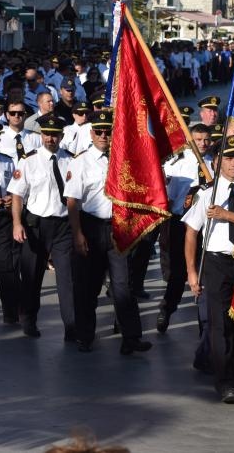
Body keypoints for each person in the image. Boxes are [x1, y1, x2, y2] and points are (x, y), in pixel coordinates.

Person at [65, 110, 152, 355]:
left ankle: (131, 338)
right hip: (90, 227)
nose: (104, 136)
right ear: (91, 133)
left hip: (117, 228)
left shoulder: (121, 159)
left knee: (123, 286)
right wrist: (78, 234)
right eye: (99, 131)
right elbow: (72, 201)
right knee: (88, 286)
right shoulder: (80, 161)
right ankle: (85, 336)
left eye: (108, 131)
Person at [184, 135, 234, 403]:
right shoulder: (207, 193)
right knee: (219, 324)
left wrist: (228, 215)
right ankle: (225, 382)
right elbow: (191, 234)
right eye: (229, 157)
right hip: (217, 262)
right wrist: (192, 272)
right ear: (218, 160)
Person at [8, 114, 75, 340]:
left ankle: (71, 326)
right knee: (32, 276)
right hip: (36, 225)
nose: (50, 139)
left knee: (66, 278)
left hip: (63, 226)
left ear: (61, 136)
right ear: (40, 135)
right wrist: (17, 223)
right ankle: (28, 319)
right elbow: (17, 194)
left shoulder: (71, 160)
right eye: (46, 134)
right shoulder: (28, 161)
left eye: (55, 135)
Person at [157, 123, 214, 333]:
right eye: (198, 140)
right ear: (190, 140)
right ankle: (167, 308)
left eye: (206, 139)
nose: (203, 144)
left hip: (207, 226)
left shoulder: (214, 163)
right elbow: (167, 194)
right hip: (181, 222)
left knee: (205, 272)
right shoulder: (177, 162)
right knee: (179, 272)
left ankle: (205, 324)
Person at [0, 123, 19, 325]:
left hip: (2, 219)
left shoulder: (6, 161)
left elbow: (14, 186)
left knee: (5, 266)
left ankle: (11, 312)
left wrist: (12, 197)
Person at [0, 97, 41, 165]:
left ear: (25, 115)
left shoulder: (37, 138)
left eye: (20, 113)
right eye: (12, 113)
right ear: (7, 115)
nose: (16, 116)